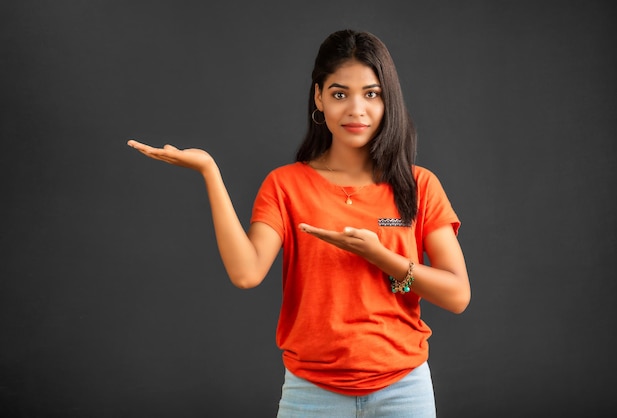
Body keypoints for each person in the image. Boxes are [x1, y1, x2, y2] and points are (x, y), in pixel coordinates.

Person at [128, 29, 470, 417]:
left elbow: (457, 295)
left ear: (387, 100)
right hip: (312, 394)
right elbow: (246, 273)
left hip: (404, 390)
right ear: (319, 98)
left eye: (371, 94)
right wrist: (209, 170)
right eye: (340, 94)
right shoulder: (285, 184)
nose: (356, 109)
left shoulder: (419, 185)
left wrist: (379, 256)